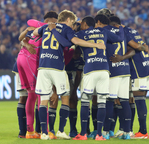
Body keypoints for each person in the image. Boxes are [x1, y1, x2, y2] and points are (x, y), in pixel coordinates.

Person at [33, 10, 106, 140]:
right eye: (72, 22)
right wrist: (96, 45)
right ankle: (61, 130)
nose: (73, 25)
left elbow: (33, 33)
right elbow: (75, 41)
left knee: (43, 100)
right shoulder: (66, 28)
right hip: (57, 67)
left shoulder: (46, 26)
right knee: (66, 96)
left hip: (43, 67)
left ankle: (44, 133)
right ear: (68, 20)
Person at [72, 15, 125, 141]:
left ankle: (83, 134)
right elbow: (120, 38)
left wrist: (77, 26)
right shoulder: (103, 31)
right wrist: (121, 28)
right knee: (102, 102)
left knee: (85, 101)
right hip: (104, 70)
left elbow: (71, 40)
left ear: (84, 24)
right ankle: (100, 135)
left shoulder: (82, 33)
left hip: (90, 69)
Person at [17, 11, 58, 139]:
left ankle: (30, 131)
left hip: (21, 58)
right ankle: (44, 131)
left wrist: (27, 42)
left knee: (31, 94)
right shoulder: (48, 30)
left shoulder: (36, 29)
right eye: (54, 21)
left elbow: (27, 29)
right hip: (31, 59)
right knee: (41, 94)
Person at [111, 25, 149, 139]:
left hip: (139, 69)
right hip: (146, 66)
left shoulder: (124, 31)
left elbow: (137, 48)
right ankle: (128, 130)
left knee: (139, 100)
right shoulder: (133, 31)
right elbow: (144, 46)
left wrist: (121, 57)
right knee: (132, 99)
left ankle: (143, 132)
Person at [101, 15, 136, 140]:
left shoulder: (106, 30)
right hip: (125, 69)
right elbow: (132, 49)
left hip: (113, 69)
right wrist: (122, 58)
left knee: (110, 101)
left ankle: (105, 131)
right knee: (124, 101)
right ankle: (127, 132)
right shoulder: (124, 31)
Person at [12, 62, 28, 138]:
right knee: (23, 97)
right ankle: (22, 131)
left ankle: (34, 130)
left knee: (33, 98)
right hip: (23, 66)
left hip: (35, 65)